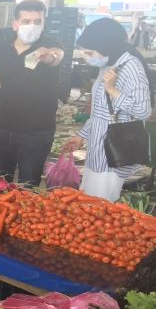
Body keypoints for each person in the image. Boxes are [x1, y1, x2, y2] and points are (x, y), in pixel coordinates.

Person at [0, 0, 66, 186]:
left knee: (27, 187)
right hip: (5, 128)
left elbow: (57, 57)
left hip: (37, 133)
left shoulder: (50, 45)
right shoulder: (3, 50)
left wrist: (49, 56)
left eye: (37, 22)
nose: (32, 26)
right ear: (15, 24)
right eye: (26, 21)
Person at [62, 18, 152, 201]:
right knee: (88, 202)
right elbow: (100, 112)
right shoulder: (109, 63)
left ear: (106, 45)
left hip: (113, 155)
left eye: (89, 52)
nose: (87, 57)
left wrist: (113, 90)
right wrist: (81, 135)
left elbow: (144, 110)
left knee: (101, 208)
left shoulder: (131, 67)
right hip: (98, 151)